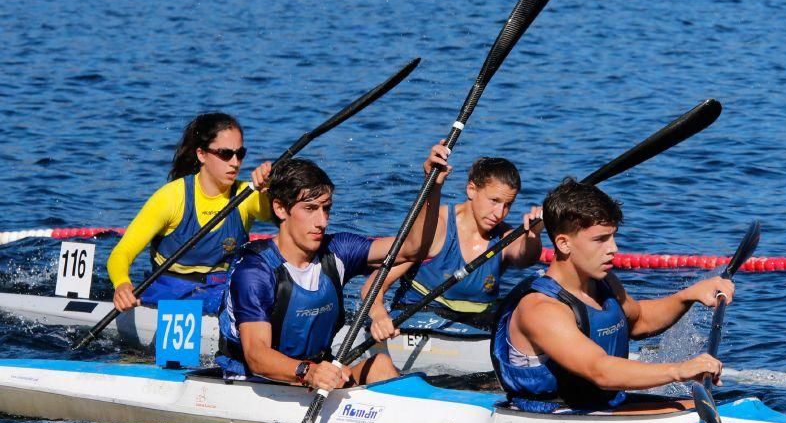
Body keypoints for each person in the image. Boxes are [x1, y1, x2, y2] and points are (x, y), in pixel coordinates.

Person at [215, 142, 450, 390]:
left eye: (326, 209)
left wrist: (432, 185)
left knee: (379, 363)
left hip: (317, 375)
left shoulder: (338, 251)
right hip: (257, 383)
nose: (322, 221)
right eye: (310, 209)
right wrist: (308, 372)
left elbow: (413, 248)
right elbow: (257, 357)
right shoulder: (255, 271)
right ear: (280, 209)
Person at [491, 179, 733, 413]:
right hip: (553, 415)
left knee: (711, 407)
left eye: (613, 236)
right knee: (694, 411)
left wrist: (689, 295)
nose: (613, 248)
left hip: (601, 404)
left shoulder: (603, 281)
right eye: (600, 239)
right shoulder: (540, 309)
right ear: (564, 243)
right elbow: (600, 370)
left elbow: (640, 320)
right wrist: (680, 370)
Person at [363, 157, 543, 342]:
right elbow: (373, 286)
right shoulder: (436, 228)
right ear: (471, 189)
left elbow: (526, 258)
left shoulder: (505, 237)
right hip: (421, 319)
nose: (499, 213)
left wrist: (534, 236)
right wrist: (379, 315)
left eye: (508, 205)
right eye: (494, 201)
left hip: (478, 326)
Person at [107, 112, 272, 315]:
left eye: (240, 153)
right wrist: (122, 284)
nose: (235, 162)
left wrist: (267, 190)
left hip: (221, 292)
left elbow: (272, 214)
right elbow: (121, 253)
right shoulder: (172, 198)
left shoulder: (246, 195)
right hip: (169, 293)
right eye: (226, 154)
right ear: (201, 154)